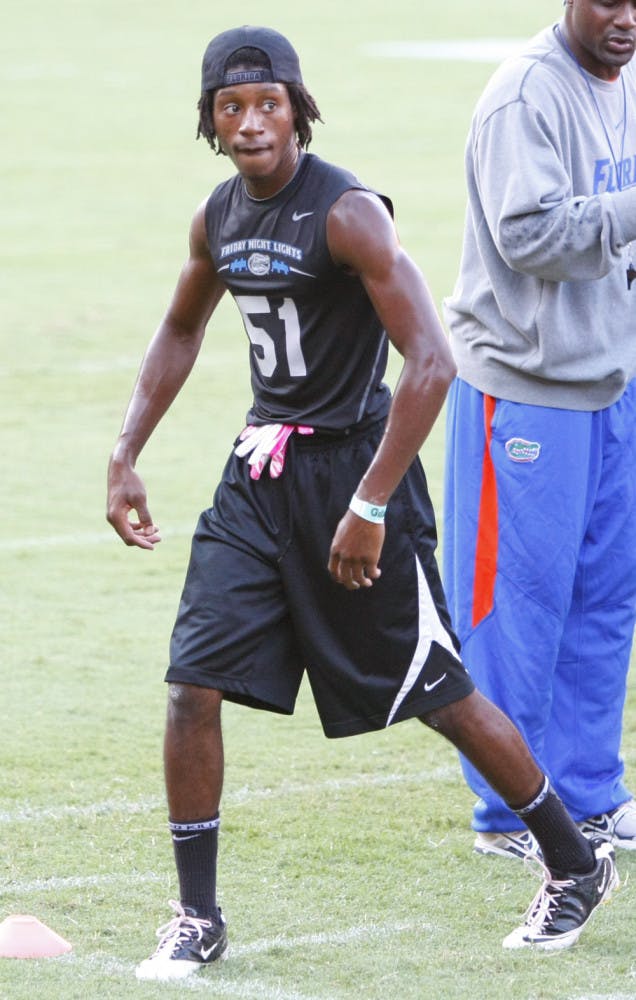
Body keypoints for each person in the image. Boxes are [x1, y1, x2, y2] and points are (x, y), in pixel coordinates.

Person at [107, 25, 618, 982]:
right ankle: (196, 914)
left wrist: (371, 502)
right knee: (190, 684)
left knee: (439, 695)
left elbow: (432, 360)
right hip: (259, 476)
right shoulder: (215, 217)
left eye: (269, 104)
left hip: (355, 475)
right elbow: (180, 330)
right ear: (210, 124)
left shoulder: (347, 214)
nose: (252, 122)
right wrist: (125, 451)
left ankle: (573, 861)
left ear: (299, 110)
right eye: (231, 107)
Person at [443, 0, 636, 865]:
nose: (625, 17)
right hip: (524, 390)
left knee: (605, 600)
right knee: (515, 609)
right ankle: (507, 810)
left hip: (609, 382)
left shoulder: (622, 85)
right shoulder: (527, 94)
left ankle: (590, 794)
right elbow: (529, 237)